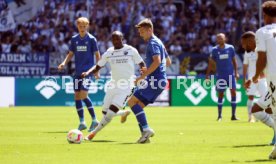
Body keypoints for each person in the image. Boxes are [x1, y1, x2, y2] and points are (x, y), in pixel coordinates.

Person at [82, 31, 146, 141]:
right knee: (105, 112)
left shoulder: (131, 50)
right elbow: (98, 66)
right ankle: (123, 113)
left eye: (118, 39)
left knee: (110, 113)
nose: (115, 41)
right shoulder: (109, 52)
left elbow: (141, 63)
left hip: (127, 86)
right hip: (113, 84)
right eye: (113, 39)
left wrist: (142, 73)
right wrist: (88, 73)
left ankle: (93, 133)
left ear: (122, 39)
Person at [127, 18, 171, 144]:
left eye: (142, 32)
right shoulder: (159, 42)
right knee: (138, 106)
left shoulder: (152, 43)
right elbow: (167, 62)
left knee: (131, 101)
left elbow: (157, 62)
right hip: (160, 80)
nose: (140, 35)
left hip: (155, 80)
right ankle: (144, 137)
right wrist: (151, 68)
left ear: (149, 30)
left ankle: (146, 129)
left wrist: (143, 75)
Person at [58, 17, 100, 132]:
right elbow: (70, 54)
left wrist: (97, 71)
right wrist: (64, 63)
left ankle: (95, 119)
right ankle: (82, 122)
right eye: (80, 26)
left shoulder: (92, 39)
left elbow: (97, 55)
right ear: (77, 26)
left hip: (87, 72)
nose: (82, 28)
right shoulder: (74, 39)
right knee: (76, 96)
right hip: (77, 73)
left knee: (83, 95)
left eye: (84, 26)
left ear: (88, 26)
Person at [251, 1, 276, 159]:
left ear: (265, 15)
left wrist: (255, 76)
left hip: (274, 76)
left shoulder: (262, 32)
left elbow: (262, 58)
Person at [241, 31, 275, 145]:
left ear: (250, 41)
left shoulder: (262, 49)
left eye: (244, 43)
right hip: (271, 86)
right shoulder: (260, 50)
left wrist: (252, 78)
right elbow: (264, 70)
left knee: (260, 109)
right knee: (264, 109)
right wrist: (251, 79)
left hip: (273, 85)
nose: (243, 46)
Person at [206, 33, 239, 121]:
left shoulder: (230, 48)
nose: (219, 40)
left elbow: (234, 61)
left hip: (230, 75)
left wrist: (236, 72)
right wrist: (207, 74)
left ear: (225, 39)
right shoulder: (214, 50)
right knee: (221, 94)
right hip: (220, 76)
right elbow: (211, 63)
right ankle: (220, 116)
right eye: (218, 38)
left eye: (221, 38)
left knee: (233, 92)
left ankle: (233, 115)